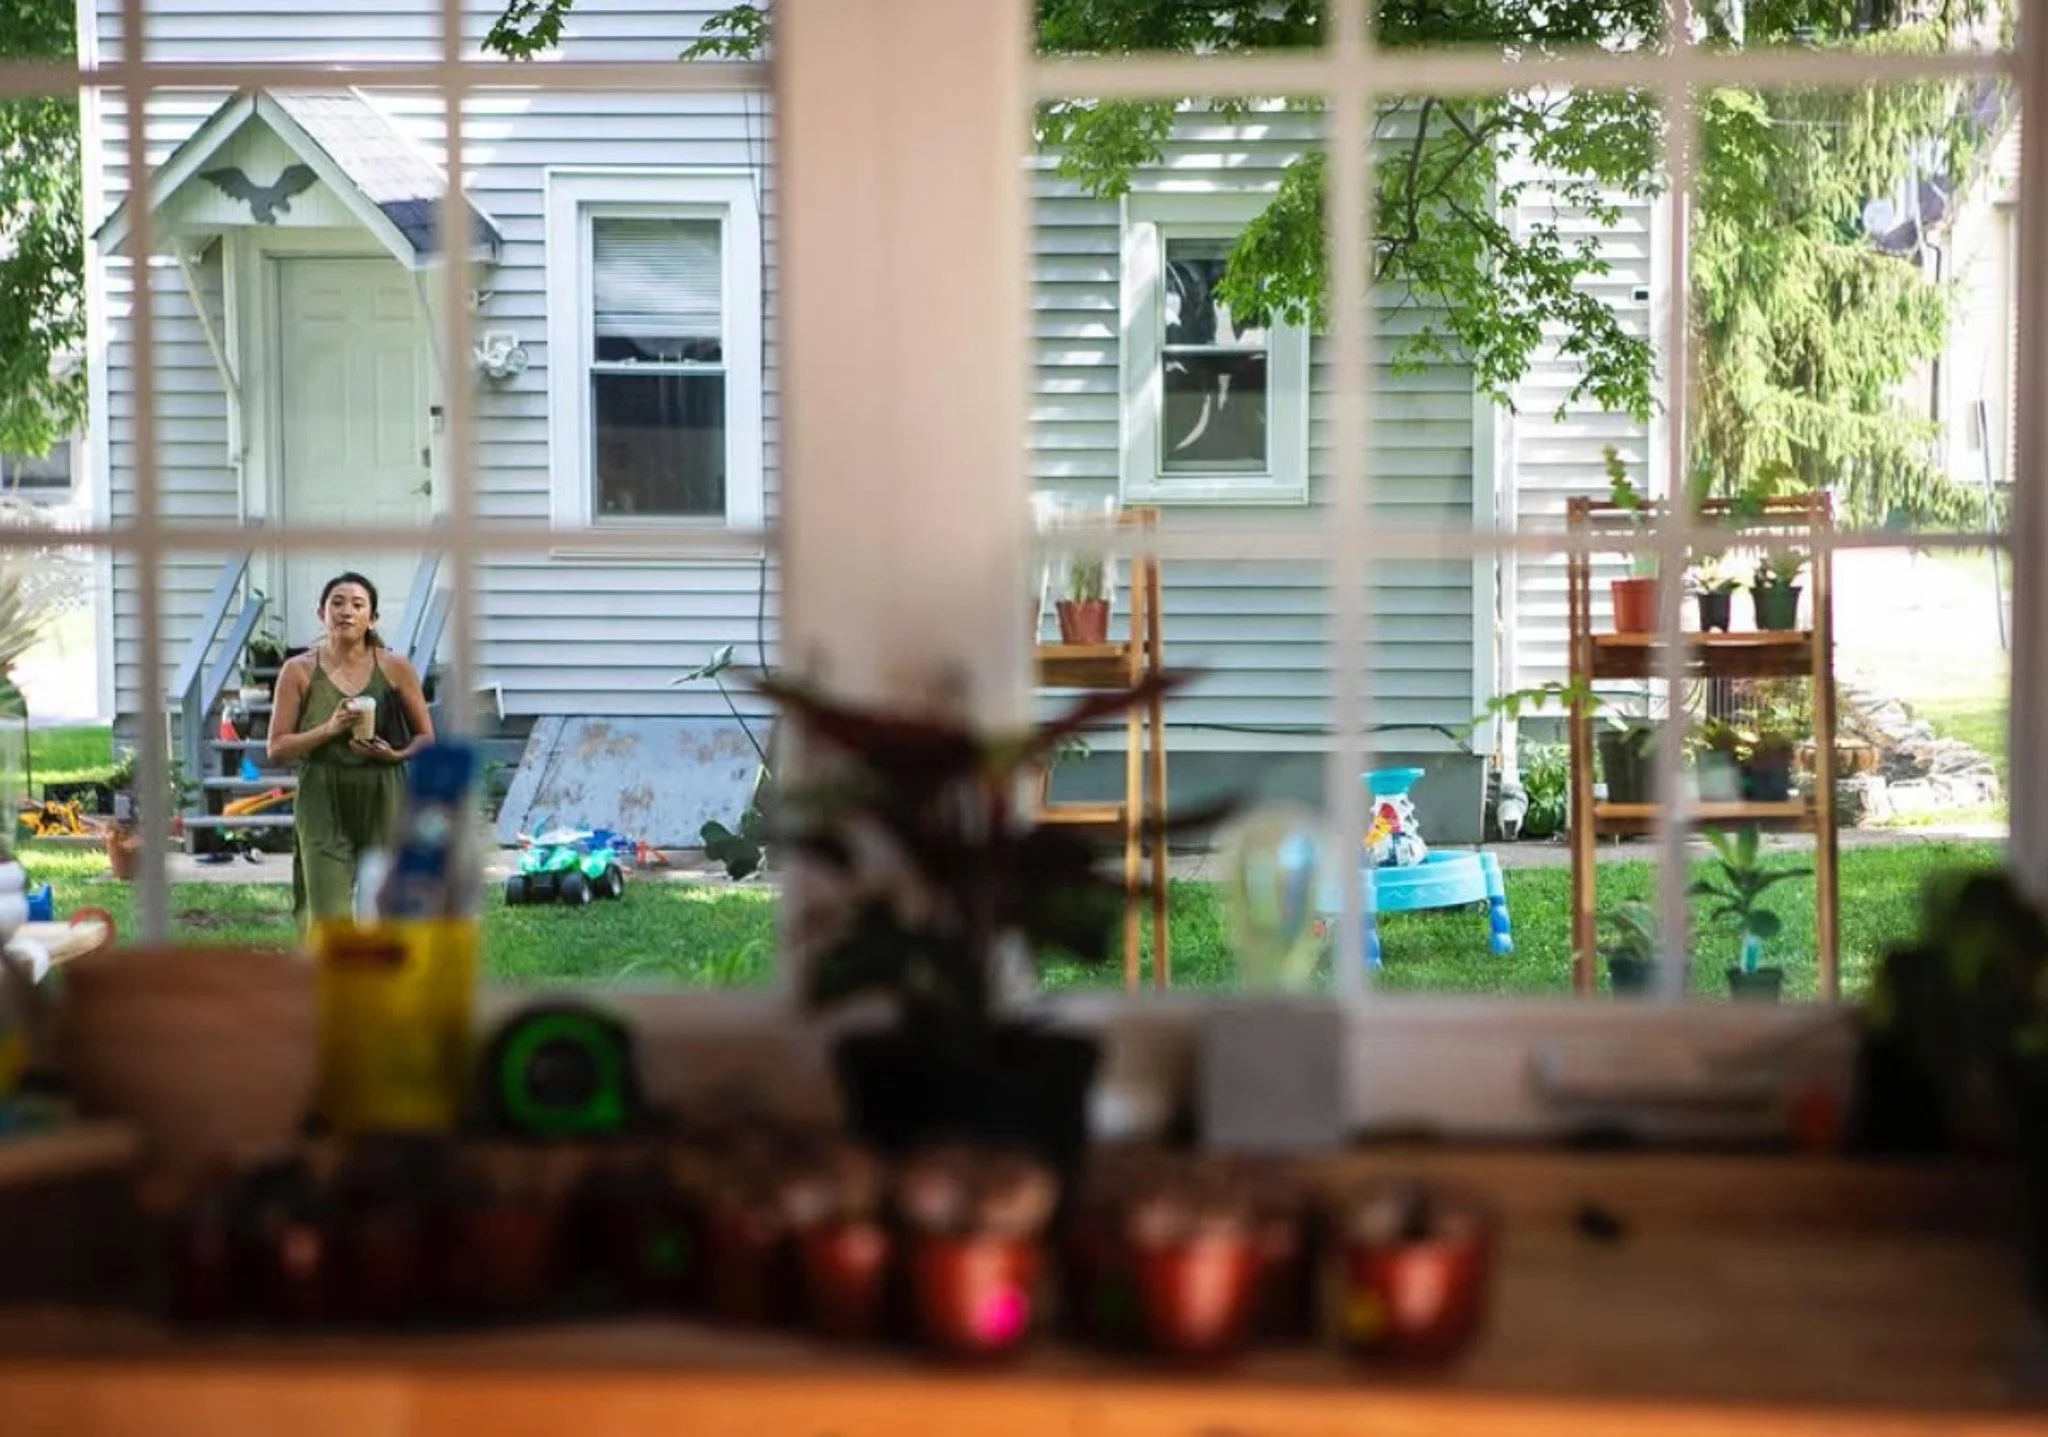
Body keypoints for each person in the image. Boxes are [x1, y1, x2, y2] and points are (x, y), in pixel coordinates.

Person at [268, 572, 435, 925]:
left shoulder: (394, 667)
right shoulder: (297, 671)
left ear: (372, 618)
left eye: (358, 605)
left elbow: (426, 738)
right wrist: (328, 729)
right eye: (337, 603)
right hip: (322, 793)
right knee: (327, 911)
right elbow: (277, 748)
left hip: (385, 790)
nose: (346, 611)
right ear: (321, 613)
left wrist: (395, 755)